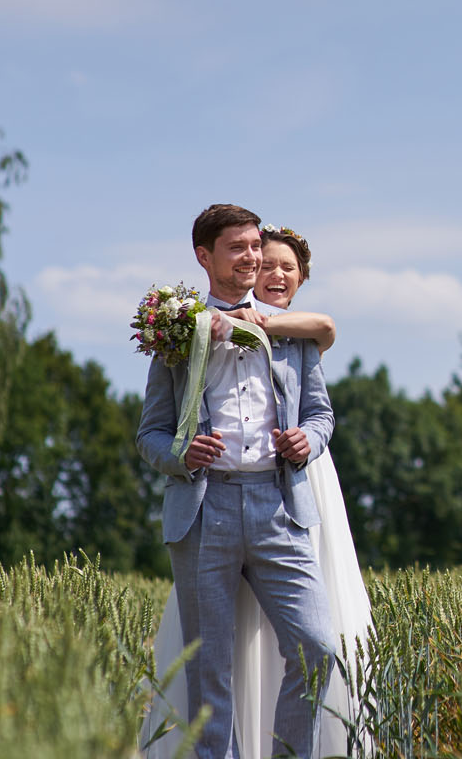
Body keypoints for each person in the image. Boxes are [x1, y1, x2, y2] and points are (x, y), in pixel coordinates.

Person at [143, 224, 376, 758]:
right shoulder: (179, 335)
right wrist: (181, 455)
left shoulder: (289, 330)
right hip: (206, 510)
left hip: (280, 508)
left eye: (255, 247)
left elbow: (322, 414)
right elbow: (149, 432)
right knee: (211, 668)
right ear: (205, 256)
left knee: (317, 648)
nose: (253, 258)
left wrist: (308, 440)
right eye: (239, 248)